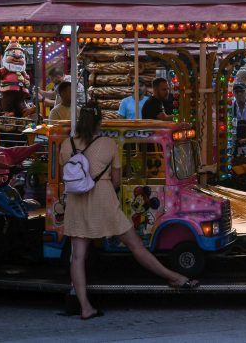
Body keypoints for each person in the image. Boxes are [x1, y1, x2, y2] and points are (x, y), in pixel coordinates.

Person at [61, 106, 197, 320]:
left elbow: (68, 176)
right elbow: (116, 181)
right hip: (104, 201)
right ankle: (175, 277)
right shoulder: (108, 144)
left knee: (77, 257)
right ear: (99, 122)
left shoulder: (66, 145)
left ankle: (85, 307)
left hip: (77, 204)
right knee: (136, 246)